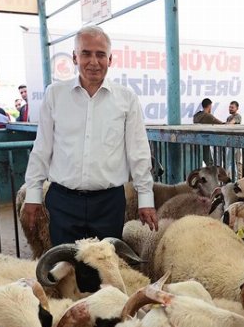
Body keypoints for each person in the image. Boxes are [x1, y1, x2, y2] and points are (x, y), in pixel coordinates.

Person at [23, 25, 157, 246]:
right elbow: (42, 149)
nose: (93, 61)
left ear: (110, 59)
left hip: (108, 203)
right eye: (86, 53)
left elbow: (138, 152)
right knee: (64, 269)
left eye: (100, 54)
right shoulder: (55, 95)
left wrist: (146, 199)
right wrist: (33, 194)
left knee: (103, 270)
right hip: (62, 201)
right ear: (75, 57)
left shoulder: (126, 98)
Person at [193, 97, 224, 166]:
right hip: (204, 141)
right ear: (209, 106)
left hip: (195, 142)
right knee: (210, 163)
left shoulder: (196, 116)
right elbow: (221, 124)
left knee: (196, 163)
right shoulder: (208, 116)